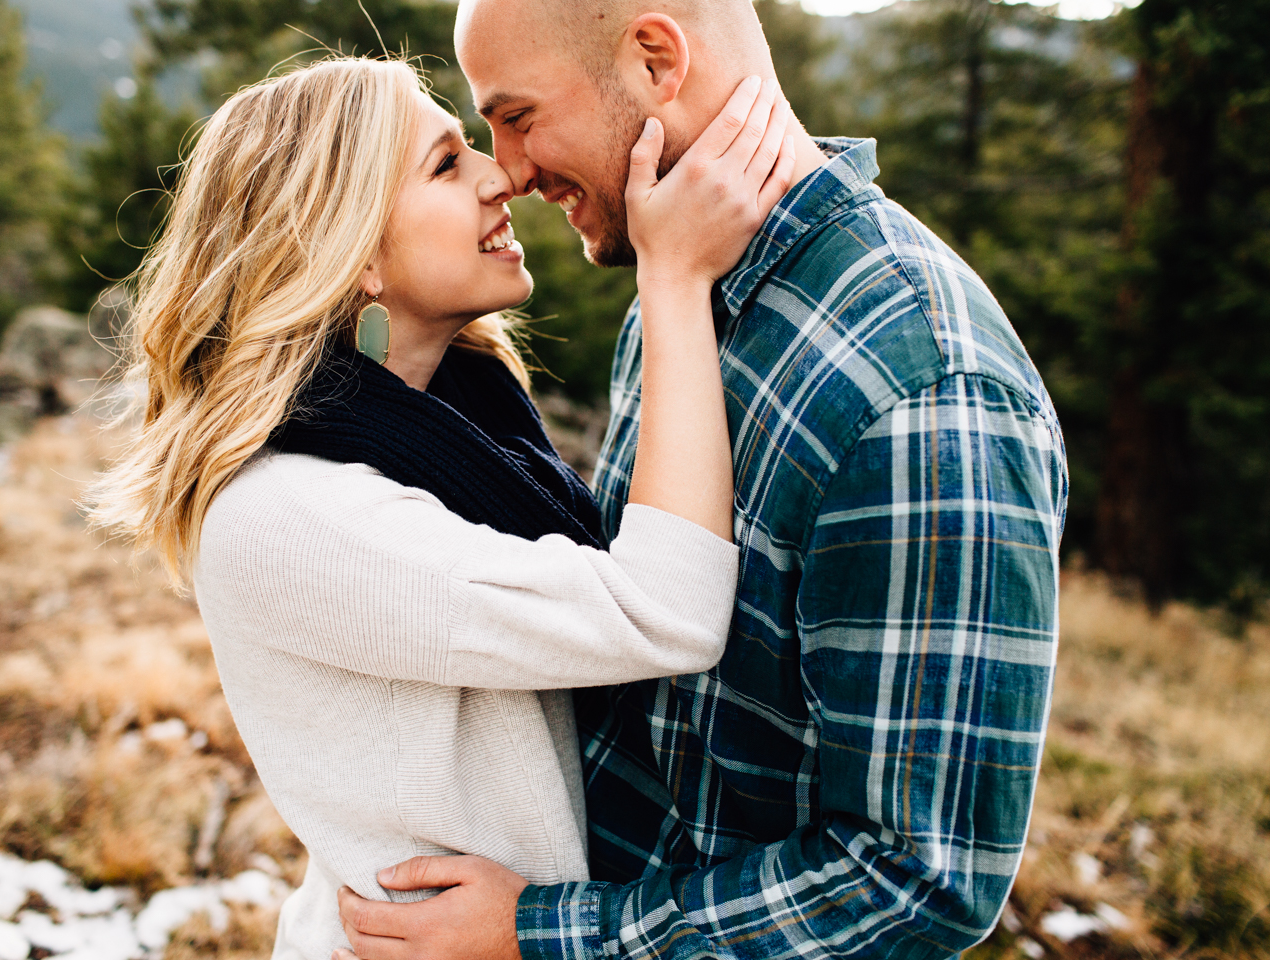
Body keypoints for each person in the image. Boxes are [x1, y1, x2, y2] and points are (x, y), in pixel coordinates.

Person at [334, 2, 1069, 959]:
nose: (507, 168)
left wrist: (542, 932)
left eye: (516, 117)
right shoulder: (679, 283)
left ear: (653, 58)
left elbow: (912, 882)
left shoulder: (926, 391)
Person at [86, 57, 799, 958]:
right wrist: (675, 279)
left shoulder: (458, 425)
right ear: (351, 252)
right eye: (444, 164)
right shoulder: (296, 512)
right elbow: (663, 613)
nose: (498, 176)